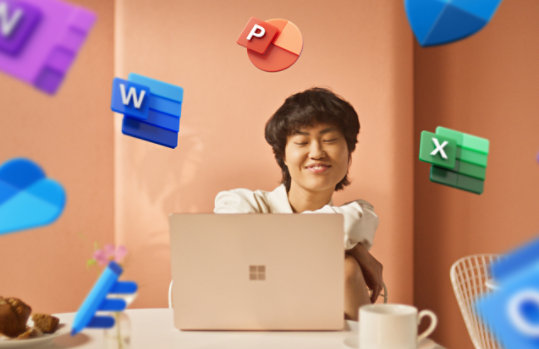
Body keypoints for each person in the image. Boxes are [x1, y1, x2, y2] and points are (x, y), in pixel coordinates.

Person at [214, 87, 383, 320]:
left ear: (349, 152)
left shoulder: (358, 215)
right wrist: (354, 249)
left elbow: (349, 225)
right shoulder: (242, 203)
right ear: (283, 155)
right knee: (347, 266)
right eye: (302, 142)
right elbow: (230, 243)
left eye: (330, 140)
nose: (316, 152)